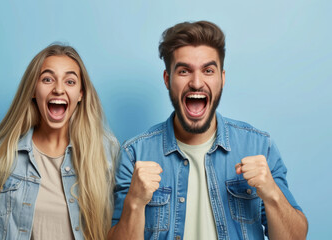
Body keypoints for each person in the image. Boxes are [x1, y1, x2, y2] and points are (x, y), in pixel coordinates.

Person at [108, 21, 308, 240]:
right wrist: (135, 203)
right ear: (168, 79)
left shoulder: (259, 146)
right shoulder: (134, 154)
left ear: (222, 79)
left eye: (208, 70)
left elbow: (296, 237)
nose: (196, 83)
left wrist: (272, 194)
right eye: (184, 71)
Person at [0, 44, 118, 240]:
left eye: (70, 81)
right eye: (47, 79)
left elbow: (122, 225)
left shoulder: (105, 151)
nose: (58, 89)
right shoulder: (4, 153)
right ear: (33, 90)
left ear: (81, 94)